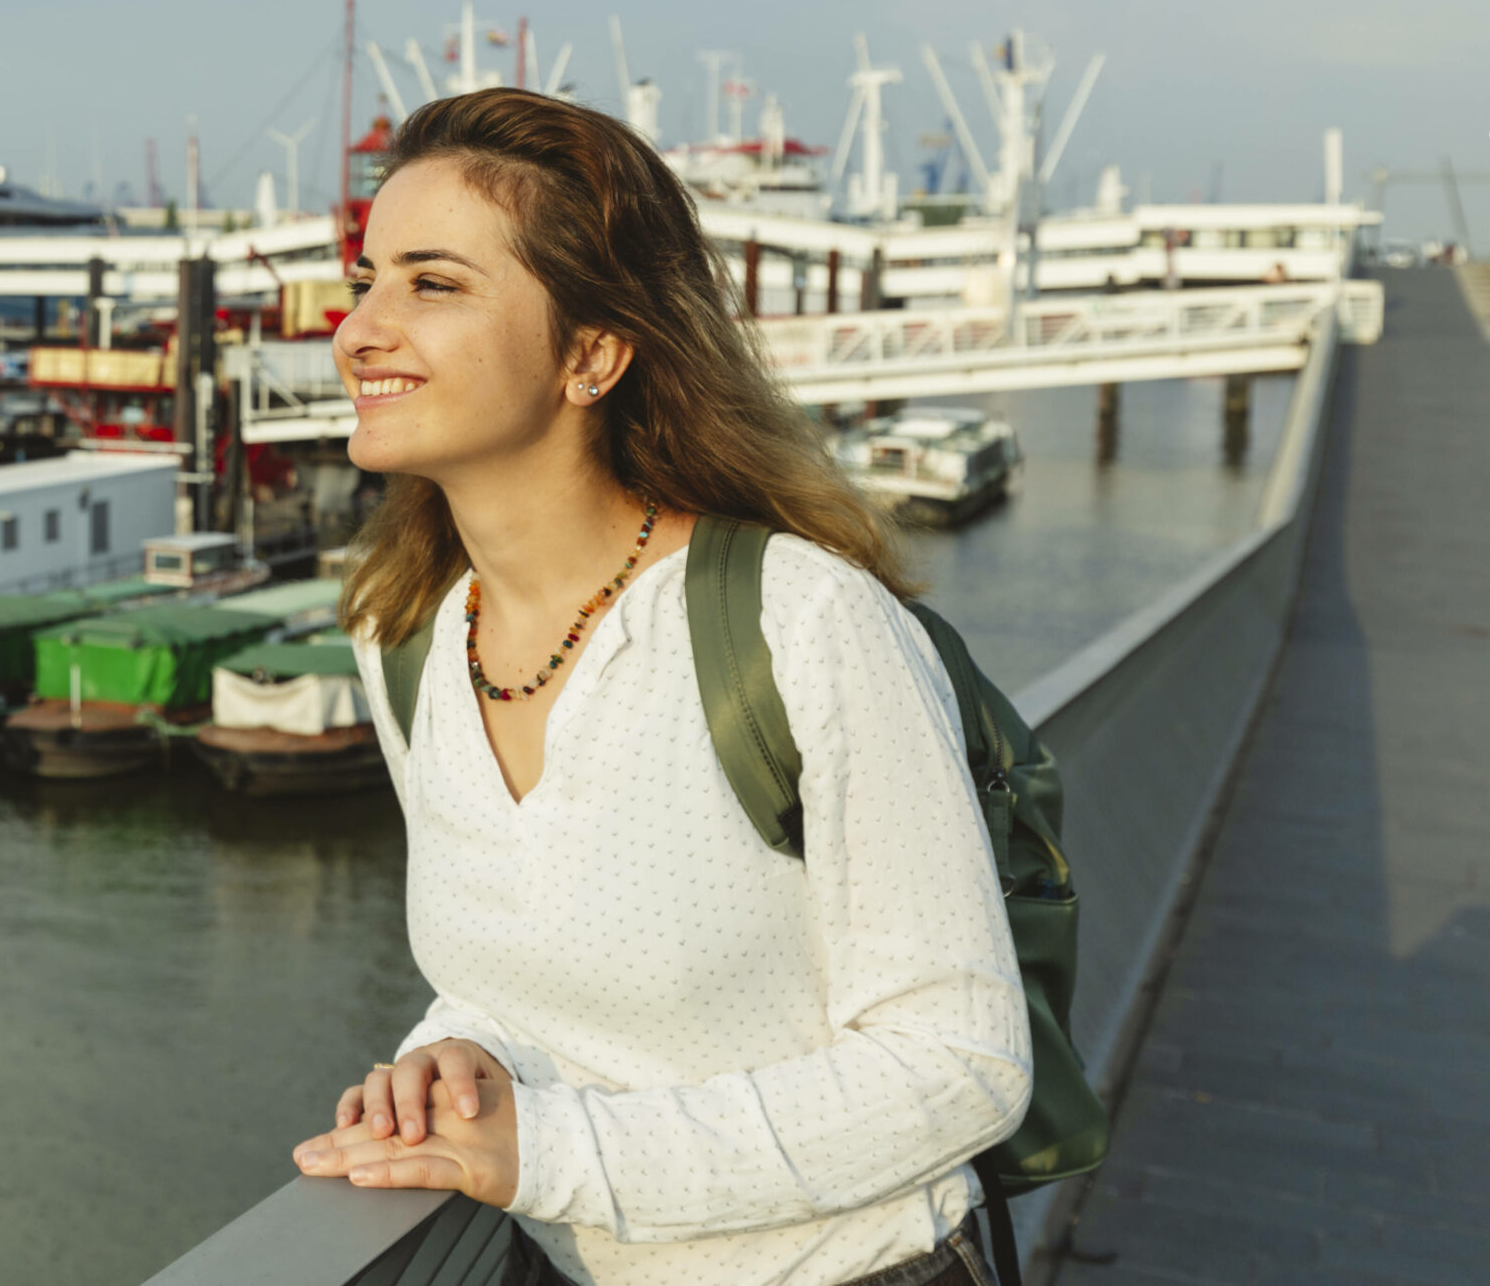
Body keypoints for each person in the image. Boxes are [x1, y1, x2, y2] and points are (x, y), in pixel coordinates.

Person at [291, 91, 1029, 1286]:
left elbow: (962, 1062)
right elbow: (509, 967)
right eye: (367, 279)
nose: (358, 330)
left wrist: (548, 1151)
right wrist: (457, 1049)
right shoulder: (410, 638)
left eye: (430, 285)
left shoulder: (802, 624)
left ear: (592, 353)